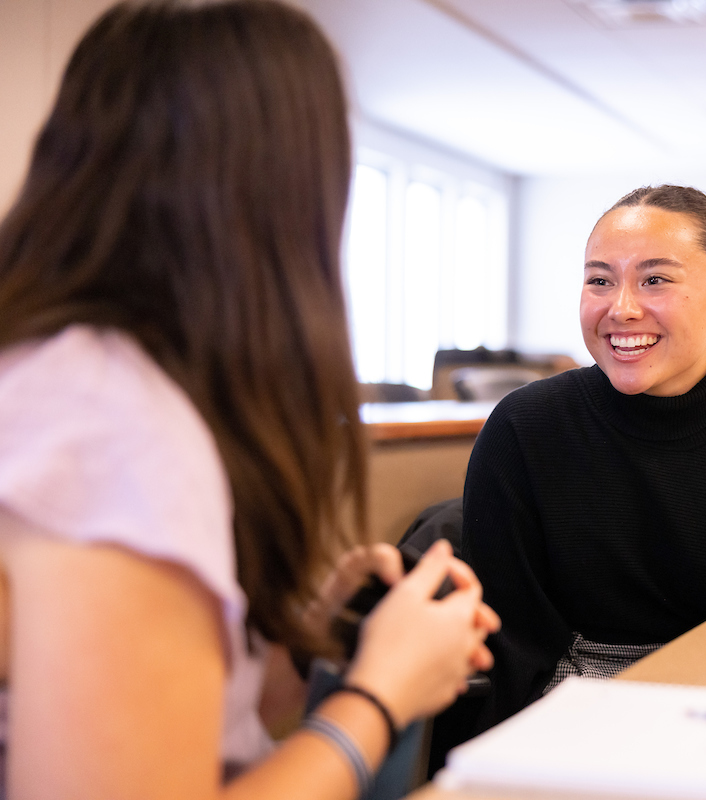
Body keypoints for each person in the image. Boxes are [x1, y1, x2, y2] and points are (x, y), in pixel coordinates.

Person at [0, 3, 498, 798]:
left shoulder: (65, 378)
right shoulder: (111, 425)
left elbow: (187, 732)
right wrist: (379, 694)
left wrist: (311, 635)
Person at [453, 185, 706, 748]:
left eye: (655, 279)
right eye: (600, 280)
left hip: (705, 733)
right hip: (547, 733)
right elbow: (516, 648)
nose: (621, 308)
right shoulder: (525, 430)